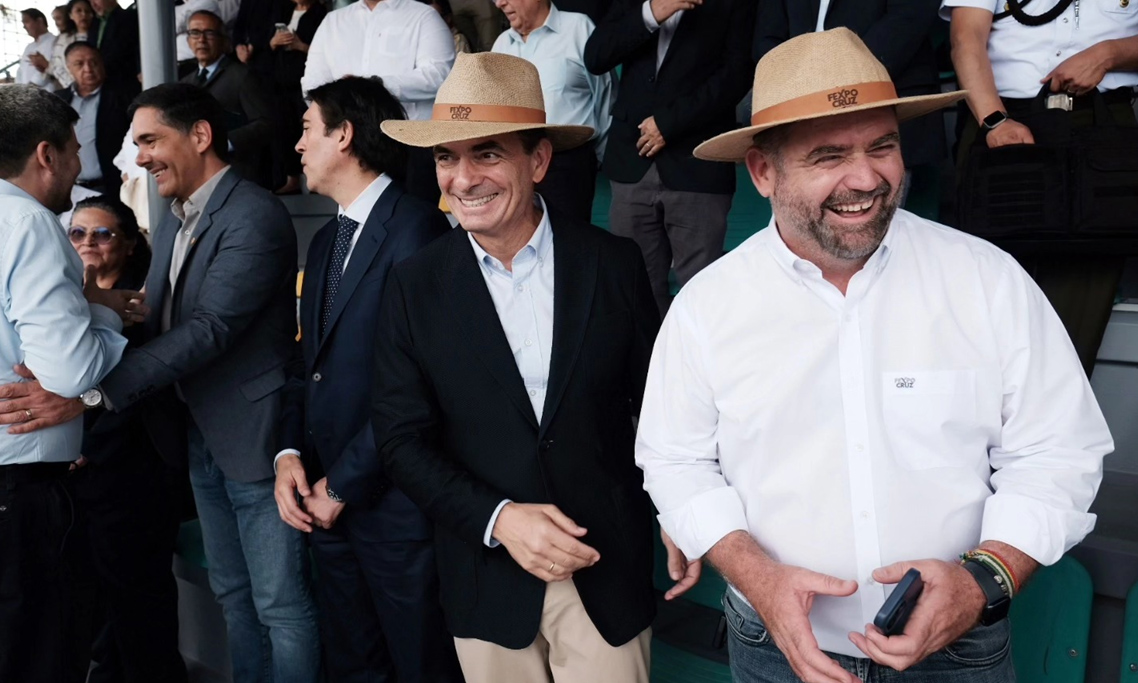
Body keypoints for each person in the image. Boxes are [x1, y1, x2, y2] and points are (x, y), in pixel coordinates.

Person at [636, 28, 1114, 683]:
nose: (866, 179)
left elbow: (1058, 450)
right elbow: (675, 459)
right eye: (829, 155)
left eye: (882, 146)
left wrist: (983, 579)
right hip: (776, 647)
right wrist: (757, 577)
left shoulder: (986, 279)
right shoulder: (707, 305)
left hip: (960, 649)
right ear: (763, 172)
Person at [374, 52, 680, 683]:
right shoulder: (412, 285)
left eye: (486, 153)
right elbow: (401, 441)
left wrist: (679, 509)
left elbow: (660, 407)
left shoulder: (614, 263)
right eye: (446, 157)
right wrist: (499, 519)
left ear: (538, 160)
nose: (463, 179)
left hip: (604, 570)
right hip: (485, 576)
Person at [0, 83, 321, 683]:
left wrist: (87, 394)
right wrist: (101, 309)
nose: (139, 157)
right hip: (191, 433)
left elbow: (211, 328)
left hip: (255, 437)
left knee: (280, 606)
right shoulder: (174, 214)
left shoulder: (254, 213)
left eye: (150, 140)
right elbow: (155, 316)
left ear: (200, 135)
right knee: (233, 595)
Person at [273, 75, 460, 683]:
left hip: (394, 510)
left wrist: (344, 485)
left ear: (344, 135)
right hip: (325, 501)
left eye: (307, 128)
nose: (298, 145)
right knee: (354, 668)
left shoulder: (418, 229)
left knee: (420, 667)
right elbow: (307, 363)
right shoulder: (326, 237)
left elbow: (424, 384)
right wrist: (288, 453)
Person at [0, 84, 133, 683]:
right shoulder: (30, 223)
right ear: (46, 154)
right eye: (76, 150)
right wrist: (104, 318)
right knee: (37, 658)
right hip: (19, 490)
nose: (81, 165)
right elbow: (71, 372)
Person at [944, 0, 1138, 376]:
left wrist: (1109, 54)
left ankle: (1058, 405)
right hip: (1000, 123)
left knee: (1079, 301)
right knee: (985, 295)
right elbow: (966, 37)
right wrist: (994, 120)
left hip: (1101, 124)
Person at [64, 197, 189, 683]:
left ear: (131, 244)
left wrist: (82, 446)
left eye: (102, 233)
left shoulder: (145, 302)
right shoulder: (65, 300)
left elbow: (145, 388)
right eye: (78, 233)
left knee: (140, 601)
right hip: (79, 475)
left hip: (137, 471)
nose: (88, 242)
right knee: (95, 602)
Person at [584, 0, 756, 316]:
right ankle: (650, 351)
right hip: (632, 163)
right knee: (636, 288)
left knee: (701, 290)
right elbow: (596, 56)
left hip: (697, 163)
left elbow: (737, 75)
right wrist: (651, 13)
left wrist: (670, 123)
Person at [753, 0, 948, 195]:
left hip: (885, 90)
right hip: (796, 106)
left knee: (877, 201)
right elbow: (768, 36)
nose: (864, 181)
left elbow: (909, 15)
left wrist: (840, 78)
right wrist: (794, 84)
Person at [301, 0, 456, 203]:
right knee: (358, 215)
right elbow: (312, 85)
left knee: (415, 214)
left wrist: (375, 85)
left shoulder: (423, 15)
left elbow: (440, 75)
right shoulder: (333, 21)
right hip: (349, 146)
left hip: (410, 145)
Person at [492, 0, 614, 222]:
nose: (499, 3)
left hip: (568, 162)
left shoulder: (578, 28)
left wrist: (599, 158)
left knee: (568, 237)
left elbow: (605, 96)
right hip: (514, 164)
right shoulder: (502, 44)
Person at [180, 10, 277, 190]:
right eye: (195, 33)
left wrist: (226, 142)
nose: (201, 40)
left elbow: (266, 123)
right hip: (200, 179)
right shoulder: (185, 83)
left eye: (209, 33)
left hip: (240, 175)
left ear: (224, 41)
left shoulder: (243, 76)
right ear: (188, 40)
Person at [57, 42, 137, 198]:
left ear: (102, 63)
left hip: (112, 187)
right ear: (68, 68)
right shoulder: (58, 100)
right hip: (70, 190)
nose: (88, 69)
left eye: (93, 62)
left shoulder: (124, 97)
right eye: (79, 64)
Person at [89, 0, 139, 91]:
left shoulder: (130, 18)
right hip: (101, 86)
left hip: (125, 83)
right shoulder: (94, 23)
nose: (93, 4)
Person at [17, 8, 60, 91]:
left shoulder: (55, 41)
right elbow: (20, 72)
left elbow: (47, 69)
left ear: (39, 21)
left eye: (26, 22)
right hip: (25, 94)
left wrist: (29, 88)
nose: (24, 26)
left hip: (46, 93)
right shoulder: (29, 47)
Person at [48, 4, 79, 88]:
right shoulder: (58, 39)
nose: (56, 23)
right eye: (54, 19)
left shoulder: (76, 37)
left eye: (59, 18)